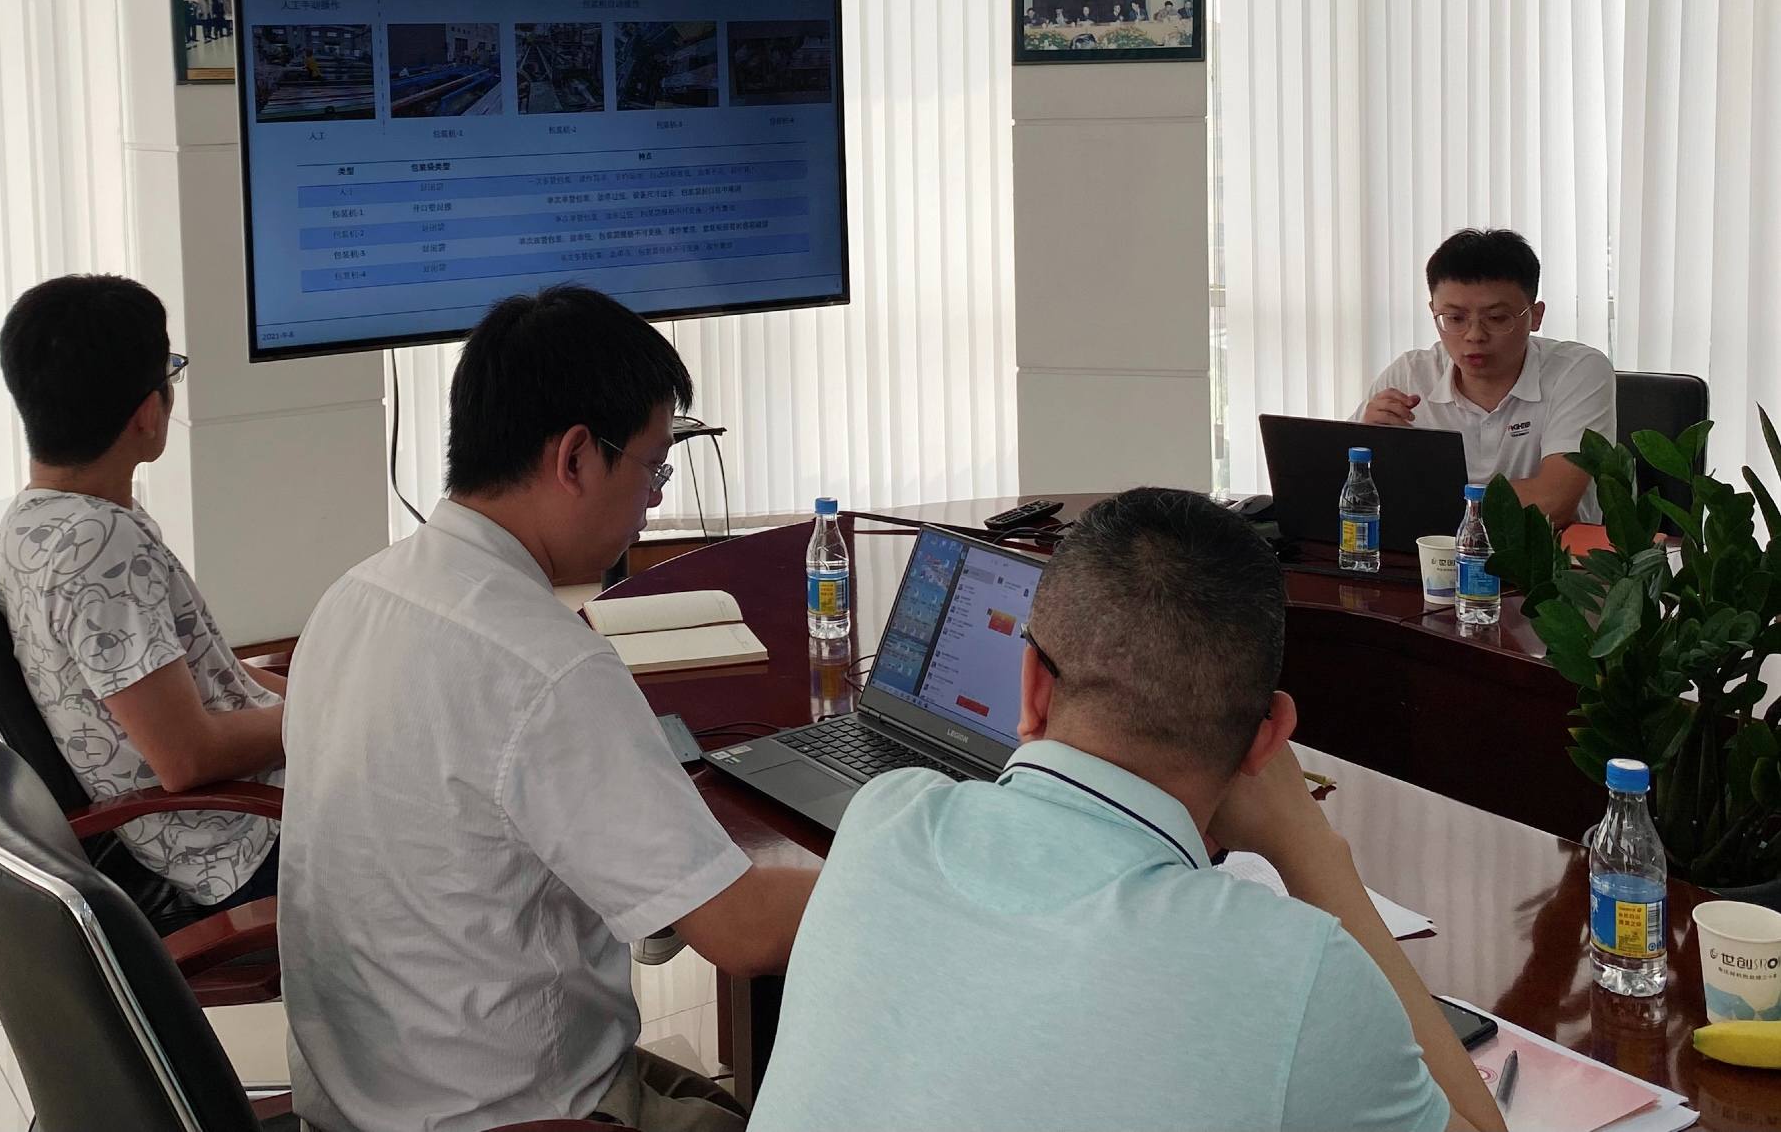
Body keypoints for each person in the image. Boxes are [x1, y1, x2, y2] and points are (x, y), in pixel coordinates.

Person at [748, 488, 1504, 1132]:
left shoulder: (884, 818)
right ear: (1270, 736)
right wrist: (1313, 853)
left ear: (1032, 687)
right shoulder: (1297, 971)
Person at [280, 285, 818, 1132]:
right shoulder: (547, 665)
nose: (655, 501)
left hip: (362, 1097)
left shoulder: (357, 594)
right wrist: (902, 871)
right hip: (508, 1112)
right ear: (575, 458)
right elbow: (744, 931)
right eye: (653, 467)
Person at [0, 275, 286, 910]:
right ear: (149, 412)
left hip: (240, 809)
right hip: (242, 842)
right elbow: (186, 758)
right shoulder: (98, 545)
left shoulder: (34, 520)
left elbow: (216, 679)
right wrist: (332, 716)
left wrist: (331, 691)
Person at [1355, 227, 1615, 525]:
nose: (1474, 335)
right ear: (1434, 311)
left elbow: (1553, 502)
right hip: (1425, 547)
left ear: (1536, 315)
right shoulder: (1409, 374)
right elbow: (1347, 491)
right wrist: (1366, 443)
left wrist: (1417, 496)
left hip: (1549, 551)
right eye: (1454, 318)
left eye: (1496, 318)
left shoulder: (1578, 371)